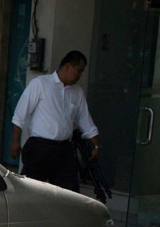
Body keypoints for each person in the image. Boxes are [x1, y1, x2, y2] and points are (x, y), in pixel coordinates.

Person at [9, 50, 100, 192]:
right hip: (40, 147)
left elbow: (85, 120)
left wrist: (95, 144)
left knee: (69, 193)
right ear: (68, 66)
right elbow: (20, 115)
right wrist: (15, 141)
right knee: (30, 190)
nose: (80, 76)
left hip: (64, 149)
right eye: (79, 71)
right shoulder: (40, 84)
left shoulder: (77, 92)